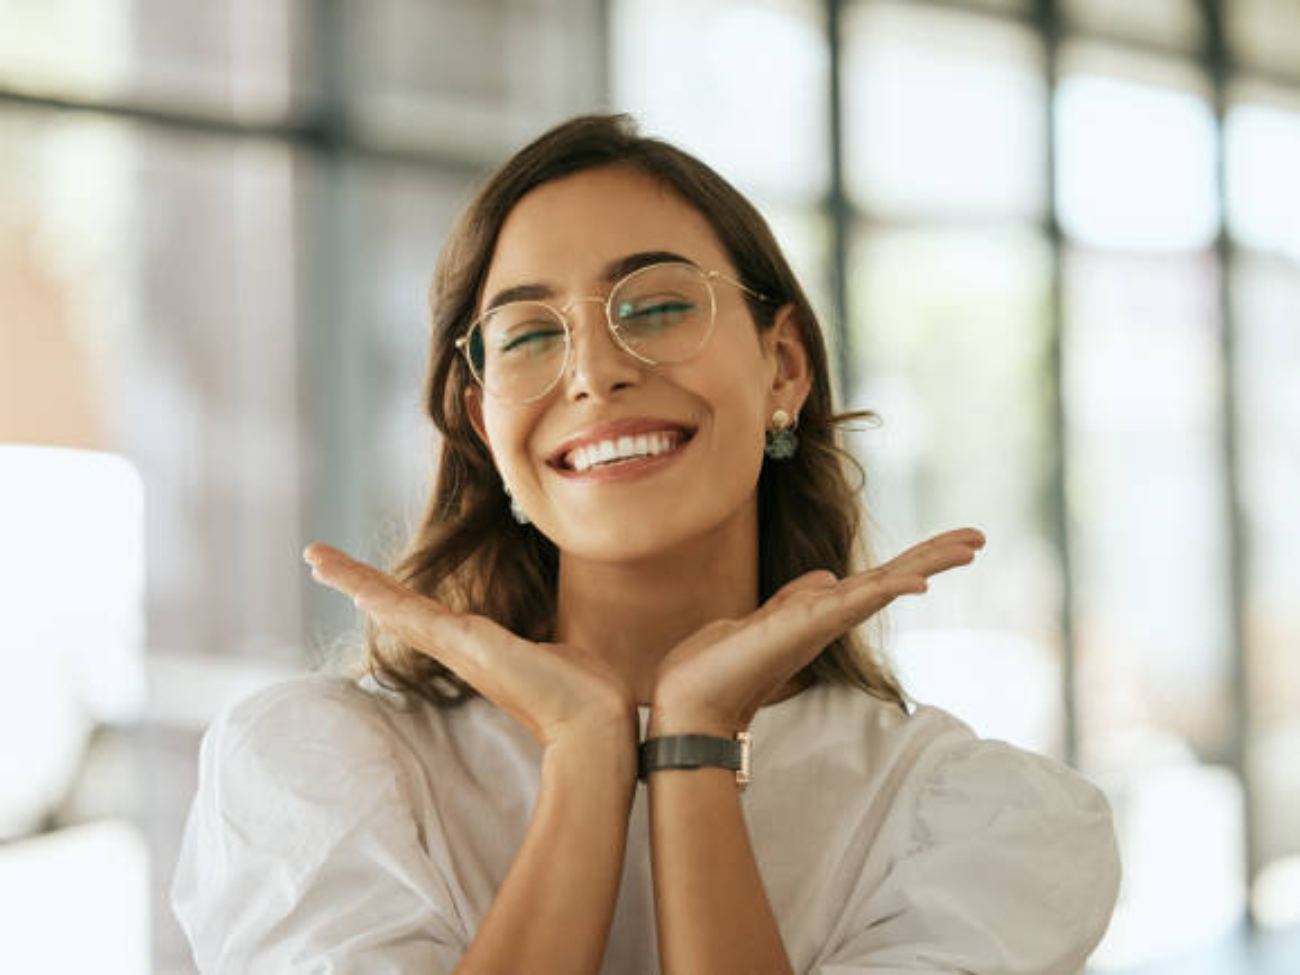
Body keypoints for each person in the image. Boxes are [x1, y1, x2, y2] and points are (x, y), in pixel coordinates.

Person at [171, 113, 1121, 974]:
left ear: (781, 366)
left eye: (658, 307)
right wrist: (586, 756)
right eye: (529, 334)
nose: (594, 371)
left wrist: (694, 744)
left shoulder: (979, 821)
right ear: (482, 423)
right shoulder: (315, 772)